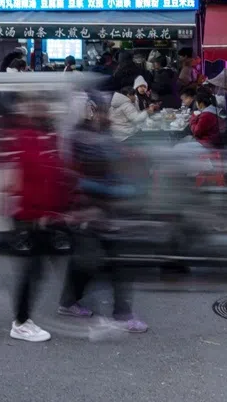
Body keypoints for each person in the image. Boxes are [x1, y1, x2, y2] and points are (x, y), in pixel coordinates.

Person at [59, 97, 148, 333]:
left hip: (102, 210)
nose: (104, 115)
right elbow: (82, 177)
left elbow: (112, 167)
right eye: (97, 110)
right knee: (108, 262)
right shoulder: (82, 138)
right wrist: (122, 190)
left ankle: (71, 303)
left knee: (95, 262)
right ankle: (121, 314)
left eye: (104, 110)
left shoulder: (100, 134)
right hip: (90, 209)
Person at [5, 99, 72, 343]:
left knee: (38, 269)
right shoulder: (28, 137)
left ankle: (26, 318)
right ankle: (21, 322)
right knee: (32, 270)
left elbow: (53, 174)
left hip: (40, 215)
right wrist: (41, 214)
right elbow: (32, 177)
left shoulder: (45, 137)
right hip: (31, 217)